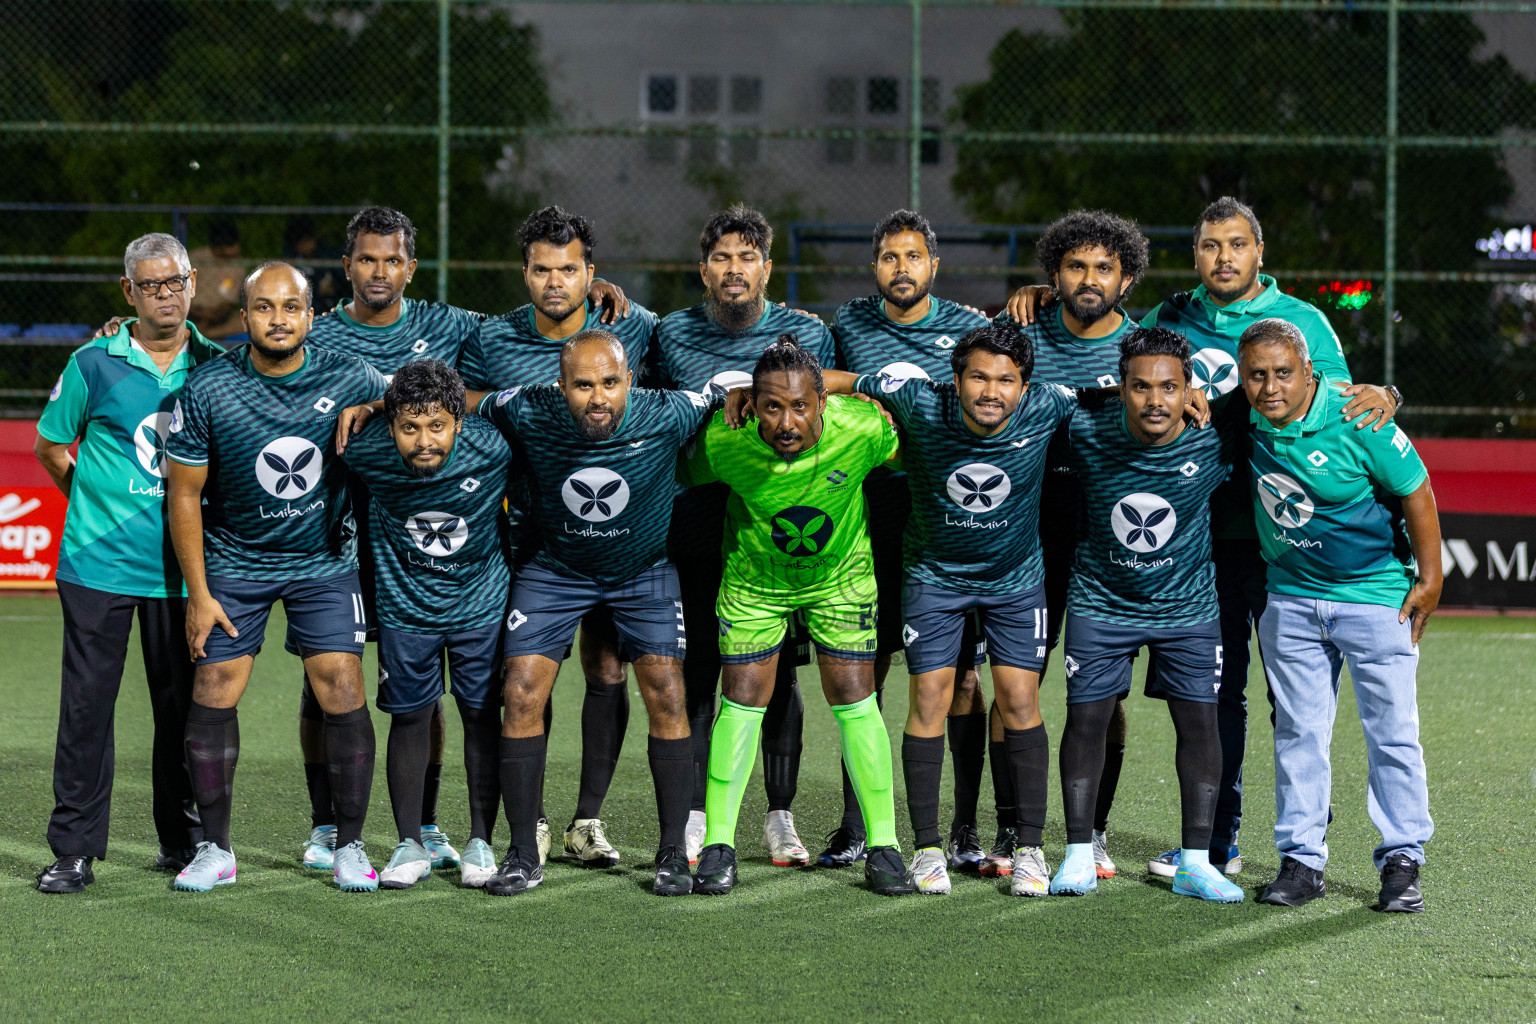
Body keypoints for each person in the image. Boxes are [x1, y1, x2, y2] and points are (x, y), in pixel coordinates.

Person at [1005, 197, 1401, 878]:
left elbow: (1341, 405)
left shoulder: (1303, 323)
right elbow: (1115, 338)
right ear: (1196, 256)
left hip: (1283, 541)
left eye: (1237, 245)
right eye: (1211, 246)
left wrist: (1389, 393)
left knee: (1296, 699)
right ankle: (1218, 845)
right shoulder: (1172, 317)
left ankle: (1302, 844)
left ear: (1259, 253)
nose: (1224, 258)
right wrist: (1045, 299)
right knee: (1220, 697)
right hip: (1199, 542)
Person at [821, 322, 1079, 896]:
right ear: (955, 379)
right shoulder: (918, 398)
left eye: (1006, 380)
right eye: (978, 377)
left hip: (1015, 580)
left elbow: (1110, 398)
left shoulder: (1048, 404)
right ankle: (928, 849)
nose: (991, 391)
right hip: (933, 577)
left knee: (1020, 699)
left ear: (1025, 385)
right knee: (929, 700)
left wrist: (1188, 394)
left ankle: (1031, 850)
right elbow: (832, 379)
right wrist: (765, 390)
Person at [466, 329, 719, 896]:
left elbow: (726, 394)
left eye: (610, 383)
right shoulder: (529, 407)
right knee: (522, 691)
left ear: (630, 381)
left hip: (643, 569)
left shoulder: (669, 410)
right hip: (556, 569)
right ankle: (521, 853)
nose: (598, 397)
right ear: (562, 387)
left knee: (667, 691)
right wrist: (381, 401)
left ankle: (674, 853)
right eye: (583, 385)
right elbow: (463, 400)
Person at [164, 260, 387, 892]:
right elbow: (184, 497)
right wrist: (199, 594)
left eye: (291, 307)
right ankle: (215, 849)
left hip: (324, 561)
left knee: (341, 685)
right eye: (265, 307)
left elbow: (411, 400)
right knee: (215, 686)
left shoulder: (350, 375)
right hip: (236, 559)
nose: (279, 319)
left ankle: (348, 846)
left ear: (310, 317)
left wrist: (374, 403)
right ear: (245, 317)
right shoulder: (208, 389)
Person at [458, 206, 657, 870]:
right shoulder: (490, 340)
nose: (555, 282)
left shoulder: (633, 329)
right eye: (542, 269)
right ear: (524, 273)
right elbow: (452, 398)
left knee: (608, 668)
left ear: (591, 273)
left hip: (614, 533)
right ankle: (530, 823)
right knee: (521, 680)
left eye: (569, 269)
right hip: (523, 537)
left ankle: (586, 821)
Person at [683, 336, 913, 897]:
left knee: (857, 703)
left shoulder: (861, 429)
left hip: (840, 581)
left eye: (800, 406)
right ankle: (719, 845)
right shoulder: (724, 442)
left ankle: (884, 846)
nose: (787, 422)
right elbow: (680, 474)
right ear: (752, 405)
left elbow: (913, 444)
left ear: (823, 404)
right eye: (771, 407)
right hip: (755, 585)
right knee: (741, 704)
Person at [33, 233, 222, 894]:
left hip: (181, 571)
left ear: (192, 282)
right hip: (97, 566)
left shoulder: (218, 365)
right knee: (86, 710)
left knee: (181, 711)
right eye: (150, 285)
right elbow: (53, 447)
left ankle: (184, 841)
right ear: (129, 293)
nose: (164, 295)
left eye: (173, 282)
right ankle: (74, 850)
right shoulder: (92, 362)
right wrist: (97, 505)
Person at [299, 205, 485, 874]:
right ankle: (326, 826)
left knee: (422, 689)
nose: (380, 272)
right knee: (324, 679)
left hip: (419, 541)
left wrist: (609, 301)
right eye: (367, 259)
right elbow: (245, 357)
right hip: (335, 536)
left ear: (410, 266)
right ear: (347, 266)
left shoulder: (446, 325)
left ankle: (426, 824)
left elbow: (537, 332)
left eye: (392, 260)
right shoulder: (314, 334)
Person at [654, 205, 837, 867]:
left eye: (747, 257)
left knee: (778, 674)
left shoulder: (807, 333)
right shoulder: (667, 333)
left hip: (776, 526)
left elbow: (831, 411)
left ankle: (780, 818)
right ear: (703, 269)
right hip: (697, 518)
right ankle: (703, 814)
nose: (735, 269)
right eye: (722, 258)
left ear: (768, 267)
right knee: (702, 668)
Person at [1237, 318, 1439, 912]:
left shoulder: (1361, 416)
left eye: (1282, 373)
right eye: (1256, 375)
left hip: (1375, 599)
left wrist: (1431, 580)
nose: (1269, 387)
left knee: (1393, 732)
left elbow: (1417, 490)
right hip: (1291, 601)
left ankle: (1403, 860)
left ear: (1309, 372)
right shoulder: (1240, 414)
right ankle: (1301, 862)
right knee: (1299, 731)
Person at [1048, 327, 1244, 904]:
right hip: (1101, 602)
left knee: (1201, 726)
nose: (1154, 401)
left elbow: (1290, 392)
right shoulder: (1084, 425)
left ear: (1190, 389)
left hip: (1187, 606)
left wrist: (1385, 393)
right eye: (1139, 387)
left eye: (1168, 387)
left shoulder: (1217, 435)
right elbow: (1031, 394)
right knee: (1086, 721)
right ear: (1121, 387)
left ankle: (1197, 863)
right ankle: (1078, 855)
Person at [827, 209, 990, 873]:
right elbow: (823, 394)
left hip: (949, 522)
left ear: (933, 265)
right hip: (867, 517)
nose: (901, 268)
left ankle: (965, 826)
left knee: (964, 683)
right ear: (876, 267)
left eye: (913, 256)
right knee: (865, 672)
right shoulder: (849, 326)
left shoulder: (968, 329)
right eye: (889, 257)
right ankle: (856, 823)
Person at [333, 359, 513, 889]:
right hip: (405, 609)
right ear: (390, 426)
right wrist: (368, 407)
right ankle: (410, 842)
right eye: (409, 427)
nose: (424, 441)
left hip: (482, 605)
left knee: (481, 716)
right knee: (409, 719)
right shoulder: (366, 450)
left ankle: (481, 839)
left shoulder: (495, 446)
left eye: (437, 426)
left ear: (460, 422)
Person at [1014, 209, 1150, 881]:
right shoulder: (1020, 337)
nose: (1089, 278)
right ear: (1053, 275)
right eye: (1075, 266)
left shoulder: (1148, 351)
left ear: (1127, 279)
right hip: (1027, 528)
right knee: (1018, 682)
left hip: (1107, 536)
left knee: (1103, 694)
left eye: (1104, 267)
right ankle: (1016, 831)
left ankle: (1092, 830)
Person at [187, 220, 248, 341]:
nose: (236, 249)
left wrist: (210, 317)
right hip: (192, 312)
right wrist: (201, 313)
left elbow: (228, 303)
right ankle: (202, 332)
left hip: (220, 317)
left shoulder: (238, 266)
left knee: (247, 321)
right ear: (218, 247)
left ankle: (205, 334)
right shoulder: (196, 259)